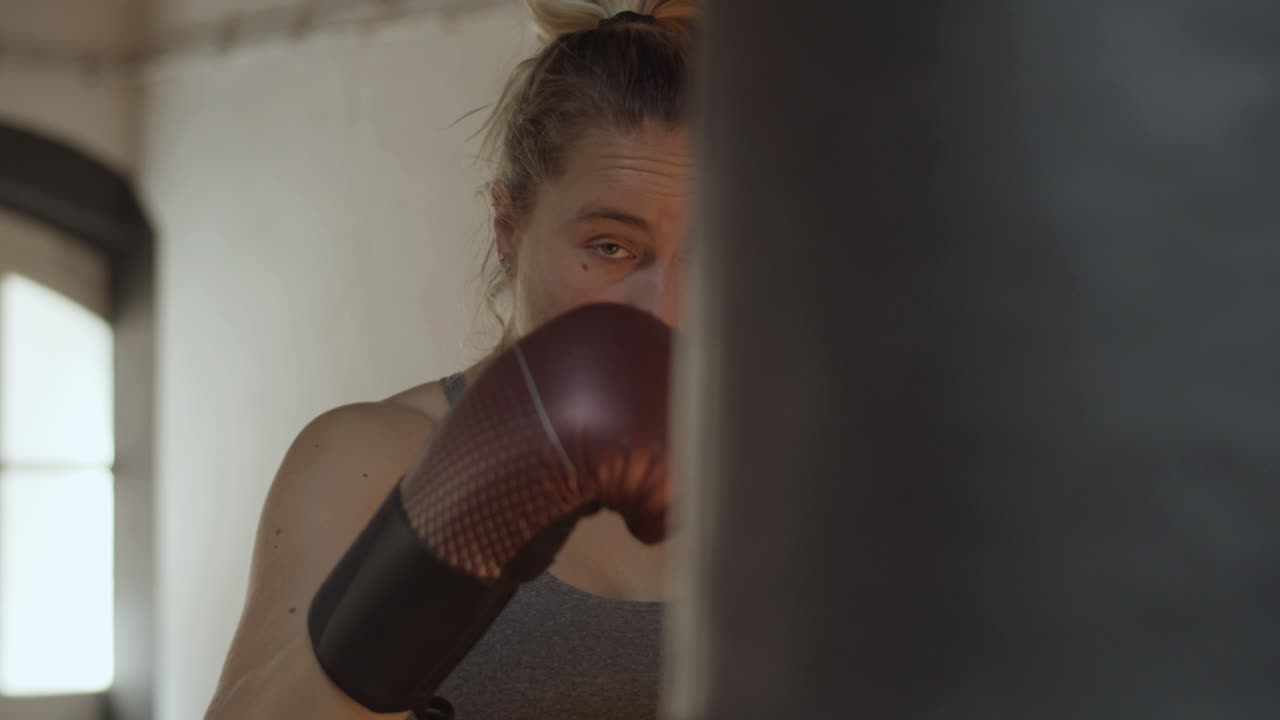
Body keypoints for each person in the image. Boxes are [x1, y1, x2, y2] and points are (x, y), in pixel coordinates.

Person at [204, 2, 697, 718]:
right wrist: (454, 517)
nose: (664, 306)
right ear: (509, 228)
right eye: (611, 247)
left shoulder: (787, 484)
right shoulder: (370, 459)